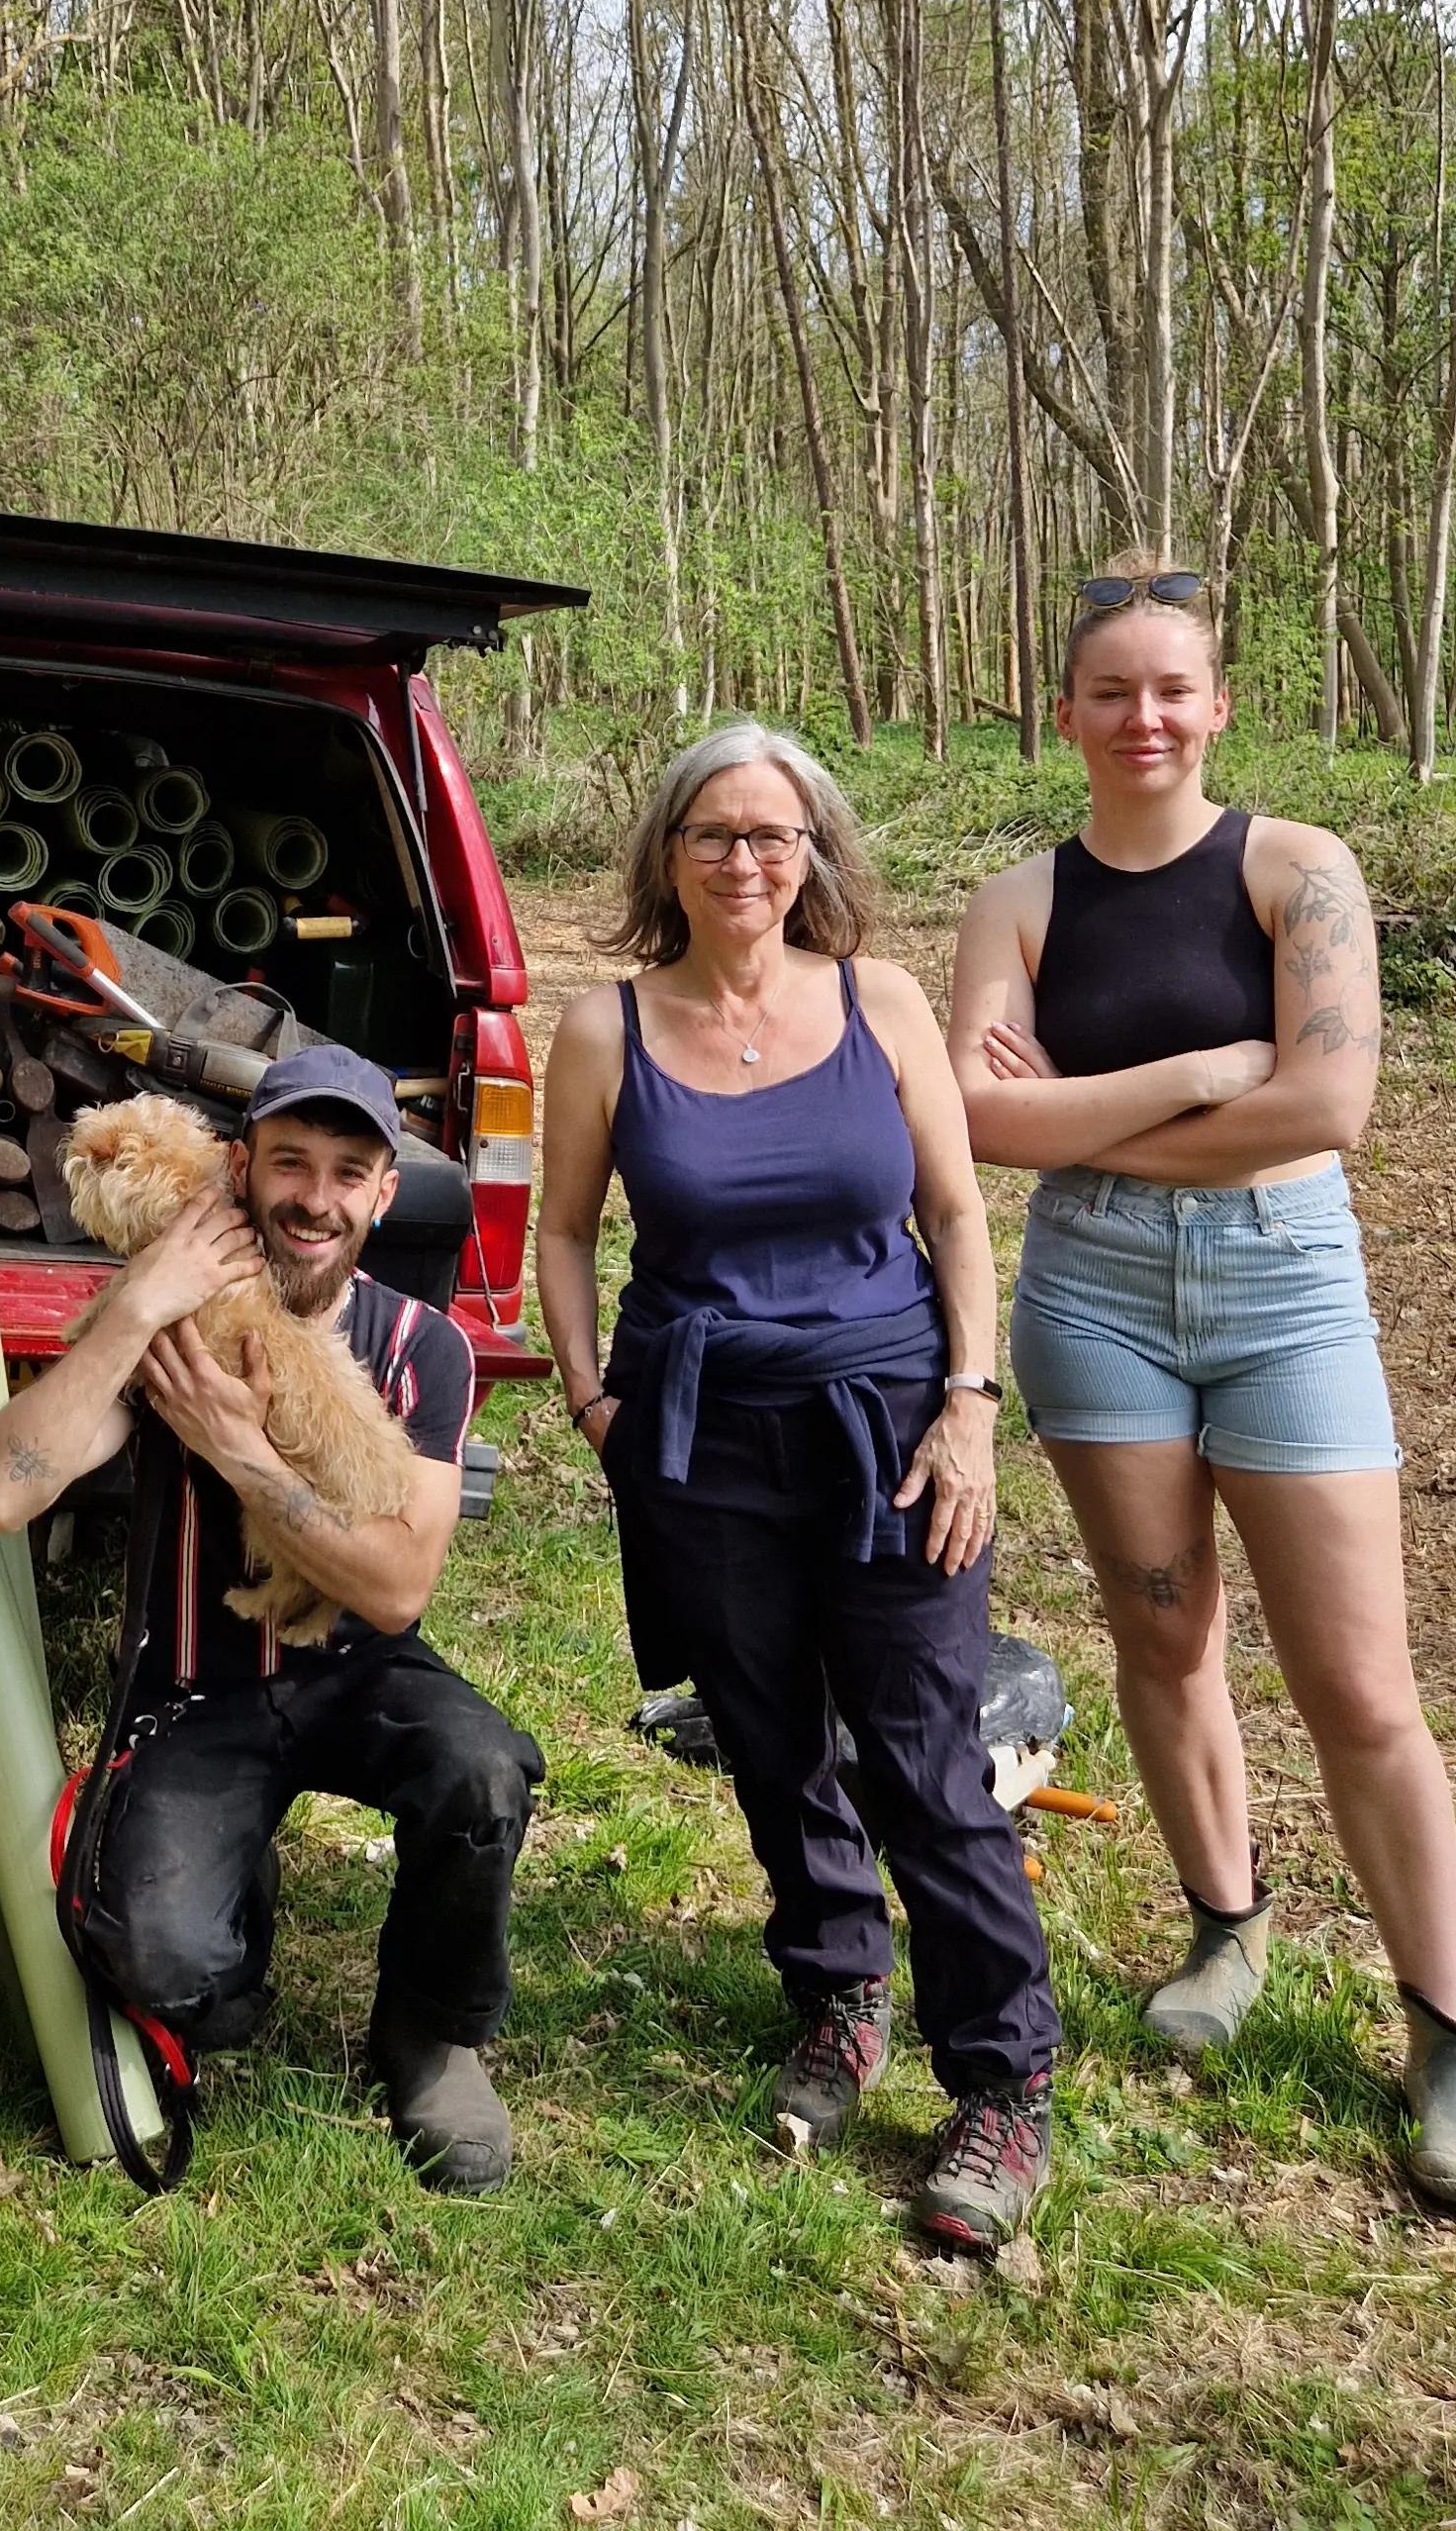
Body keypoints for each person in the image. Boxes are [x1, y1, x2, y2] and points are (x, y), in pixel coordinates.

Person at [947, 569, 1456, 2217]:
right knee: (1164, 1635)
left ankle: (1447, 2025)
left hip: (1282, 1285)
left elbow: (1329, 1099)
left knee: (1360, 1687)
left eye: (1171, 689)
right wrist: (1202, 1073)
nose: (1143, 718)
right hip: (1092, 1295)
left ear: (1217, 704)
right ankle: (1227, 1919)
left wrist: (1087, 1114)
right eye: (1108, 690)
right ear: (1063, 713)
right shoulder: (1015, 901)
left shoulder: (1295, 870)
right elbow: (982, 1123)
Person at [539, 722, 1060, 2254]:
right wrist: (593, 1403)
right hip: (702, 1440)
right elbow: (565, 1233)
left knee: (921, 1749)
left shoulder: (882, 1004)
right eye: (715, 834)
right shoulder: (605, 1029)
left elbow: (959, 1217)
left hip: (890, 1423)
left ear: (815, 854)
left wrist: (970, 1409)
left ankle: (1002, 2078)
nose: (746, 861)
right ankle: (838, 1990)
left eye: (775, 836)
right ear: (667, 857)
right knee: (765, 1729)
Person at [0, 1046, 541, 2193]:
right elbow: (4, 1488)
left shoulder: (421, 1345)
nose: (313, 1200)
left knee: (480, 1771)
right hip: (195, 1685)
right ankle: (229, 1922)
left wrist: (236, 1448)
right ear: (239, 1170)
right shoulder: (158, 1323)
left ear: (384, 1193)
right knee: (165, 1958)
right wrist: (135, 1304)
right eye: (289, 1163)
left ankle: (432, 2039)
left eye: (347, 1172)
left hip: (358, 1662)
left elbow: (392, 1589)